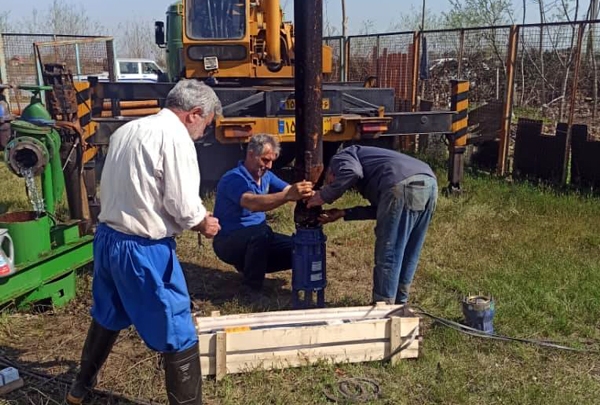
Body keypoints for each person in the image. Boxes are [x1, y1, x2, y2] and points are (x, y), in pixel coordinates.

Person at [66, 79, 222, 405]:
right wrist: (202, 222)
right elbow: (181, 204)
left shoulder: (128, 130)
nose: (202, 132)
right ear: (194, 113)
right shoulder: (175, 138)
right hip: (143, 249)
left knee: (108, 312)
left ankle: (80, 389)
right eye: (206, 124)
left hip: (109, 238)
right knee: (178, 329)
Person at [307, 145, 438, 305]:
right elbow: (384, 210)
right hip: (429, 184)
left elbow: (352, 172)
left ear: (329, 173)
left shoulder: (341, 157)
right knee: (410, 250)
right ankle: (400, 303)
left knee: (389, 252)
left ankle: (383, 306)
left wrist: (324, 196)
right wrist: (343, 213)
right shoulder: (372, 165)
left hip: (401, 183)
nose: (334, 185)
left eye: (329, 182)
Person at [212, 134, 313, 291]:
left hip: (259, 239)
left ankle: (251, 266)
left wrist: (311, 193)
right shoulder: (233, 178)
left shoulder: (266, 176)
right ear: (251, 154)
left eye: (272, 161)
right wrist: (288, 196)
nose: (269, 166)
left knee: (301, 247)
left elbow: (288, 189)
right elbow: (252, 203)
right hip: (228, 242)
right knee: (261, 233)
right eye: (265, 160)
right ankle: (251, 289)